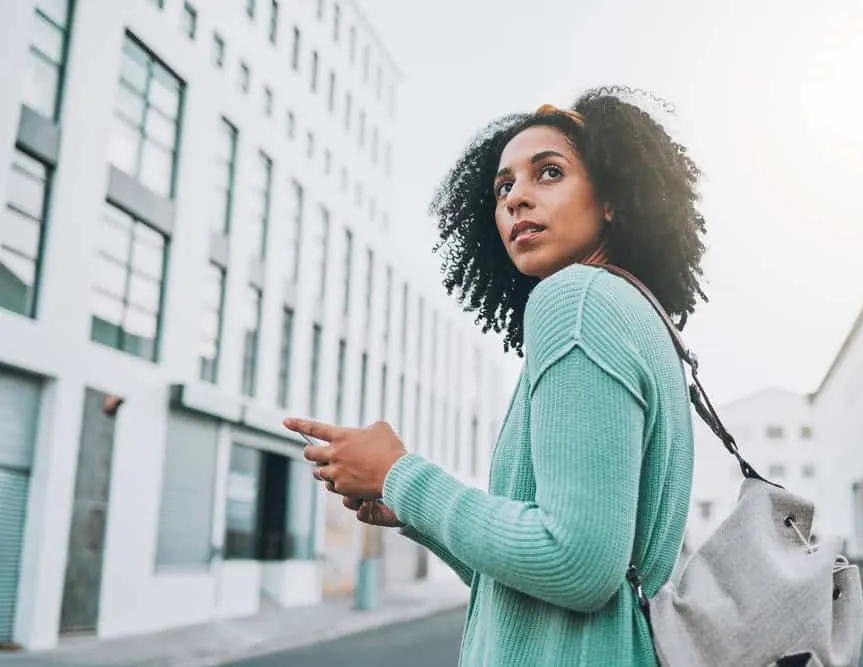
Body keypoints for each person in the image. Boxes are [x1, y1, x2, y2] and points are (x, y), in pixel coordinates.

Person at [283, 86, 708, 666]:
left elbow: (577, 565)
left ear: (611, 197)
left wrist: (400, 473)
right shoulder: (635, 314)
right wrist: (408, 507)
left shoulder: (576, 301)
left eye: (548, 173)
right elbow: (547, 581)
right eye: (503, 187)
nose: (516, 199)